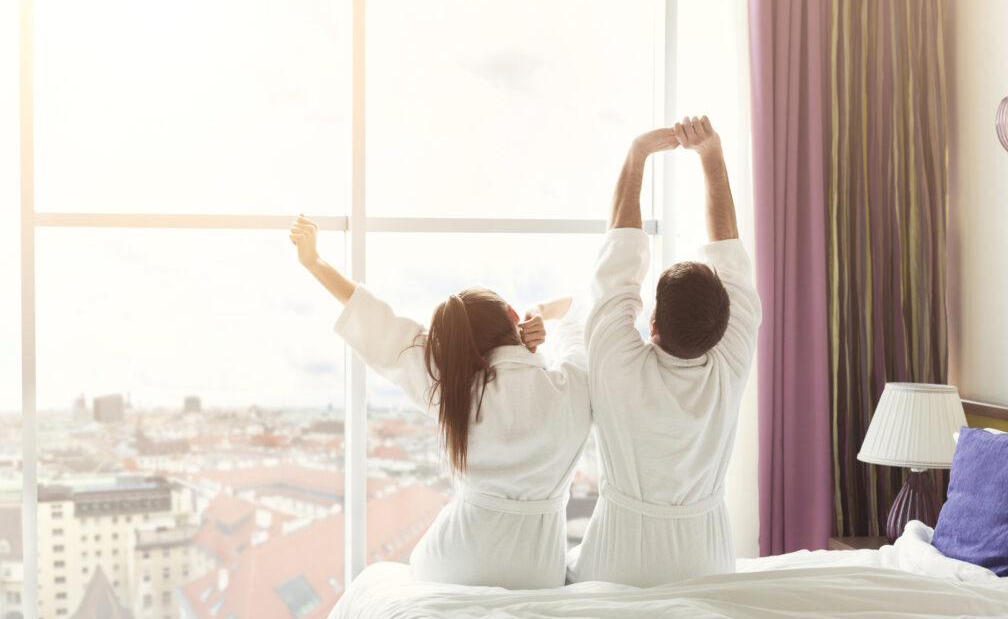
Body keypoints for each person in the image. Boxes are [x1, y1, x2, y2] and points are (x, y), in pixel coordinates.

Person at [288, 217, 590, 589]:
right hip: (538, 571)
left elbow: (382, 325)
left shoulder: (455, 388)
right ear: (513, 316)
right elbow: (580, 310)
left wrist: (314, 262)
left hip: (452, 562)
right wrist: (539, 309)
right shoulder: (570, 386)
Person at [567, 116, 762, 587]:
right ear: (724, 322)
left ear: (651, 324)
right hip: (709, 562)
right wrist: (712, 157)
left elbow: (620, 256)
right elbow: (729, 253)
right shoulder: (733, 360)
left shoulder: (616, 362)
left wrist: (637, 156)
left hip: (618, 561)